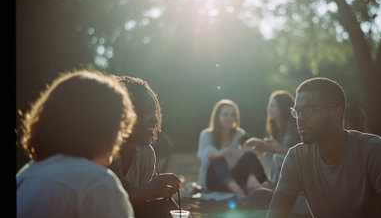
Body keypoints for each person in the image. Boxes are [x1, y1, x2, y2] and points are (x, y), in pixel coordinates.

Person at [267, 77, 381, 218]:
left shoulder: (376, 151)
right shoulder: (296, 157)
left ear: (336, 113)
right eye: (297, 112)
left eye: (309, 109)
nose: (301, 118)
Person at [16, 70, 137, 218]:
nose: (120, 139)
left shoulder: (27, 175)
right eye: (120, 128)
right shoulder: (96, 182)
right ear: (102, 128)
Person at [108, 76, 181, 218]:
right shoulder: (101, 152)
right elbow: (97, 207)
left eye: (154, 111)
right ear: (125, 113)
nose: (155, 119)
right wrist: (145, 192)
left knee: (166, 208)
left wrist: (160, 193)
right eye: (146, 111)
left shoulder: (146, 153)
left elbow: (139, 207)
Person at [197, 99, 269, 200]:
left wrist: (250, 150)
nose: (230, 118)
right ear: (218, 117)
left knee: (250, 156)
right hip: (214, 181)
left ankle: (262, 187)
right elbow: (207, 155)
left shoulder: (239, 133)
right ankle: (240, 193)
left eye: (233, 115)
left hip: (235, 178)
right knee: (218, 159)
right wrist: (223, 152)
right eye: (225, 115)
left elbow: (248, 153)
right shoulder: (207, 134)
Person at [245, 90, 300, 184]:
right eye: (269, 106)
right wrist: (261, 143)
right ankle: (267, 182)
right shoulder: (276, 128)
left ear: (282, 108)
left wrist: (265, 146)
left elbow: (287, 151)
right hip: (286, 168)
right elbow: (275, 144)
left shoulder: (292, 126)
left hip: (297, 167)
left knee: (276, 157)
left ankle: (274, 186)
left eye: (272, 106)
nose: (268, 109)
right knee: (267, 153)